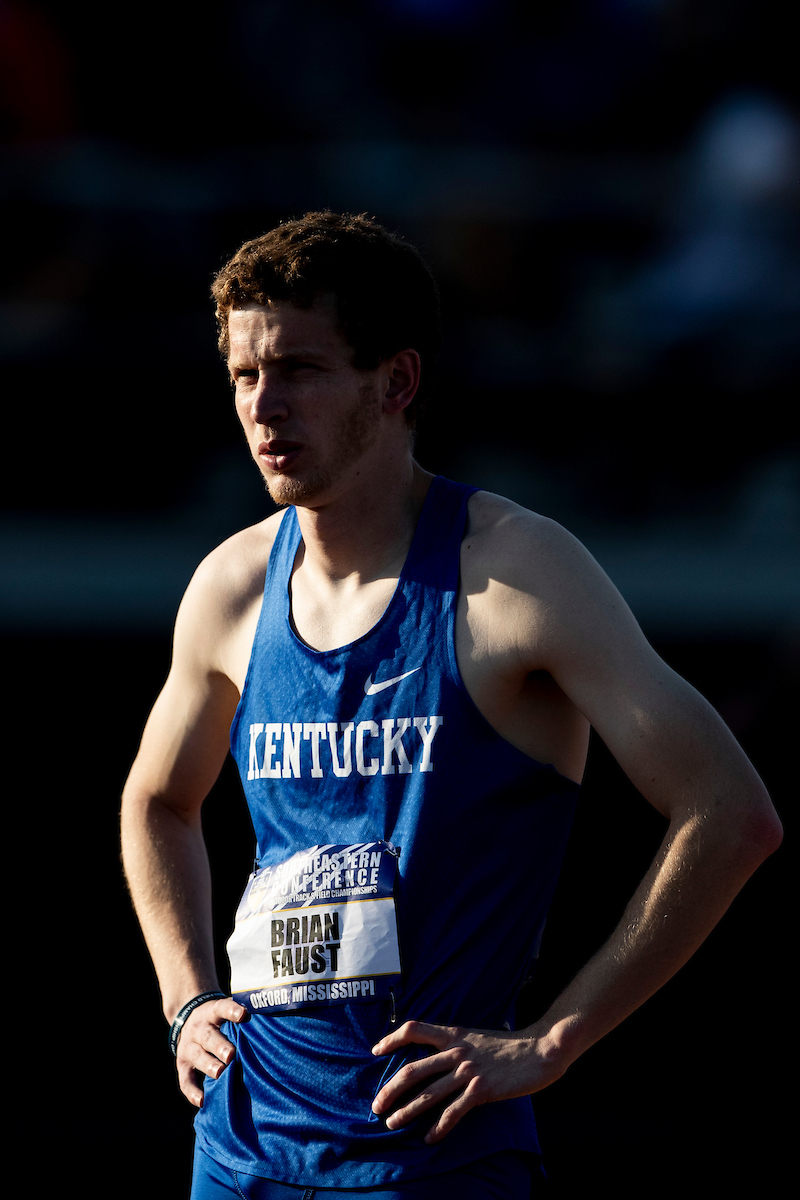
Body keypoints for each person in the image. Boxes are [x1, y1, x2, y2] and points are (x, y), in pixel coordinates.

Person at [120, 211, 782, 1199]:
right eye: (244, 376)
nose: (264, 407)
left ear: (394, 382)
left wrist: (553, 1038)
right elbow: (156, 802)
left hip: (433, 1155)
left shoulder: (516, 574)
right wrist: (184, 999)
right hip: (243, 1152)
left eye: (299, 369)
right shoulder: (232, 585)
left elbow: (730, 814)